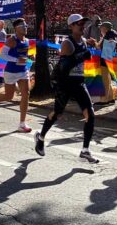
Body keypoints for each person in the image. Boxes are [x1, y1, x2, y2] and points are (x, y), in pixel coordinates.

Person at [34, 14, 99, 163]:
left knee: (90, 114)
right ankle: (41, 136)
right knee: (57, 113)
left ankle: (85, 150)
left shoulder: (83, 41)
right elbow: (63, 68)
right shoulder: (67, 44)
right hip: (65, 84)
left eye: (83, 23)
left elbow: (84, 54)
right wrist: (83, 56)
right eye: (78, 24)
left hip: (79, 83)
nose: (82, 26)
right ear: (71, 26)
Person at [0, 18, 33, 132]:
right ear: (16, 28)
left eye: (26, 25)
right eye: (23, 25)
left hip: (23, 71)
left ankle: (22, 124)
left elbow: (23, 54)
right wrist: (16, 59)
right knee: (9, 97)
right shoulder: (12, 40)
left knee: (26, 94)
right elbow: (2, 55)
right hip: (11, 72)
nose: (26, 27)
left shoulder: (27, 40)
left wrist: (30, 57)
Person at [95, 21, 117, 106]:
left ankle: (104, 100)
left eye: (101, 27)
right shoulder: (110, 34)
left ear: (105, 28)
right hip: (107, 59)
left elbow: (103, 47)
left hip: (105, 60)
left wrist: (96, 44)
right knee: (107, 79)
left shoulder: (110, 34)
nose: (100, 29)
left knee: (105, 80)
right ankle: (111, 98)